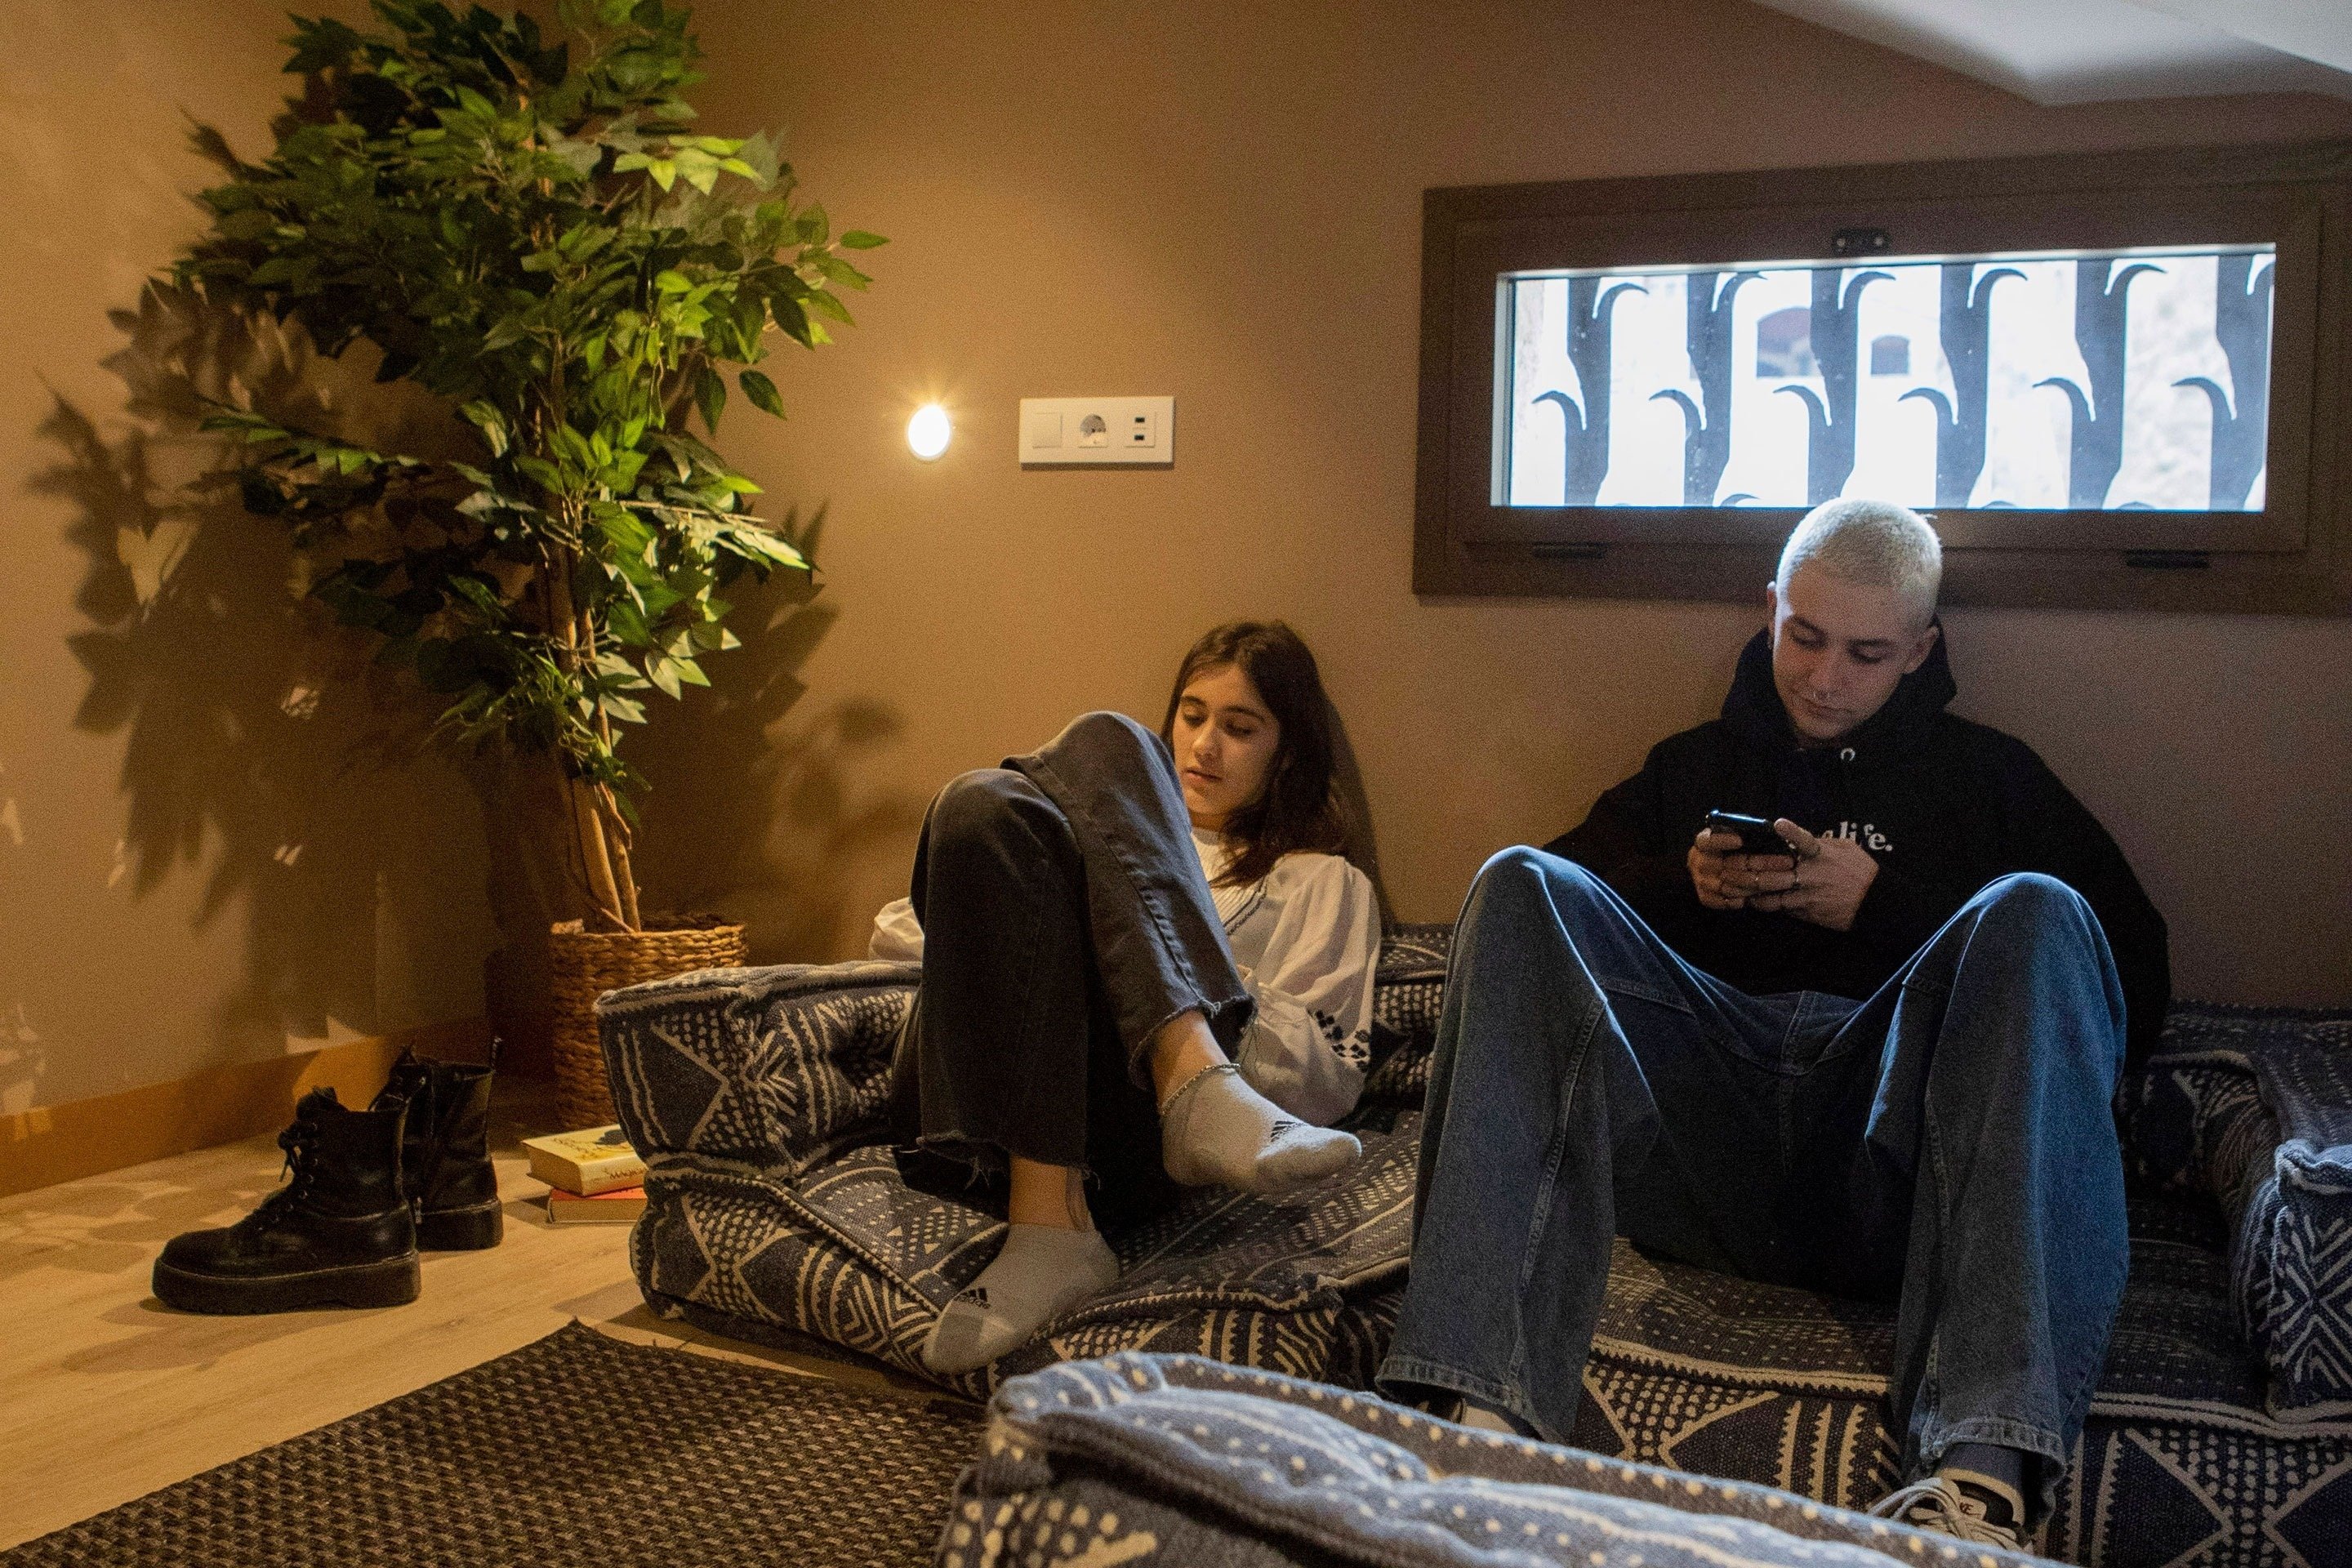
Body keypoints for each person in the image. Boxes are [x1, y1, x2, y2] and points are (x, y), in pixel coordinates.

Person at [1376, 499, 2168, 1552]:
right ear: (1770, 609)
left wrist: (1881, 903)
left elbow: (2134, 973)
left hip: (1885, 1155)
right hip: (1700, 1143)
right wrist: (1678, 884)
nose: (1826, 677)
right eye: (1805, 635)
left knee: (2037, 907)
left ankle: (1981, 1481)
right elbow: (1543, 937)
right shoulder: (1693, 767)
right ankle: (1473, 1415)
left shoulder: (1991, 778)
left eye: (1867, 652)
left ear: (1921, 650)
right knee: (1519, 879)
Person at [872, 621, 1382, 1375]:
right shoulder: (1071, 829)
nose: (1204, 744)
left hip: (1121, 1142)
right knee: (981, 798)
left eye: (1240, 728)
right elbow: (895, 935)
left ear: (1288, 753)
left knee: (1098, 742)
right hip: (964, 1122)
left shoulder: (1319, 880)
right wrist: (1086, 931)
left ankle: (1081, 1198)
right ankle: (1190, 1089)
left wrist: (1183, 964)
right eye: (1193, 715)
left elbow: (1326, 1075)